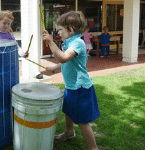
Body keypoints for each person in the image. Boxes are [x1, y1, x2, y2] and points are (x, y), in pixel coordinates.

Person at [42, 11, 100, 150]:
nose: (58, 32)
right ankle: (69, 132)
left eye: (60, 29)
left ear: (70, 29)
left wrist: (50, 42)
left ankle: (93, 148)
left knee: (82, 120)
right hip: (71, 86)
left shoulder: (78, 43)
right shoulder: (68, 43)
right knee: (68, 110)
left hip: (80, 88)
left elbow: (63, 57)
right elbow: (65, 62)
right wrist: (54, 68)